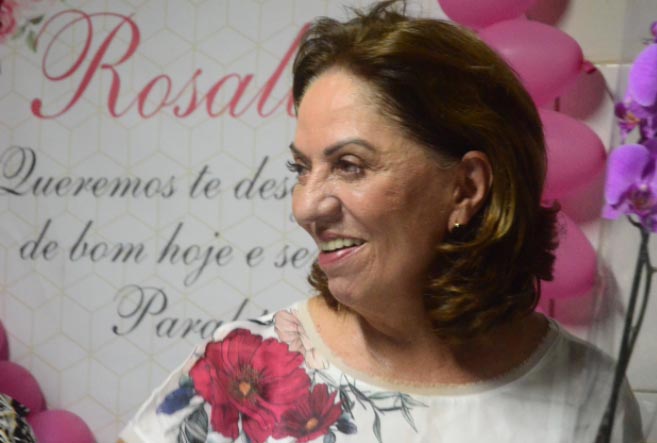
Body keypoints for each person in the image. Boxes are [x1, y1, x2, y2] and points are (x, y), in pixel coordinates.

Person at [118, 1, 643, 442]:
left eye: (350, 165)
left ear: (465, 189)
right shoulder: (243, 368)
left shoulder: (588, 395)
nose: (306, 207)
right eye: (301, 169)